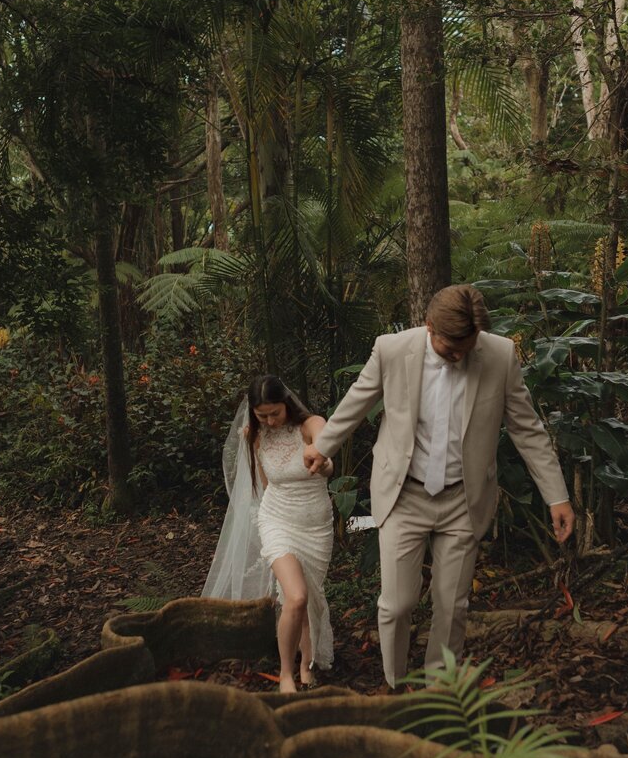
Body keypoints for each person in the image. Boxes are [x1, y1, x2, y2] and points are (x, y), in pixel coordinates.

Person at [303, 284, 574, 691]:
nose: (461, 355)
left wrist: (557, 495)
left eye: (469, 346)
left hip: (464, 501)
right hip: (403, 496)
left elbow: (527, 429)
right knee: (397, 605)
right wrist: (322, 447)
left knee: (452, 606)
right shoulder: (393, 350)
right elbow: (356, 401)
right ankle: (396, 686)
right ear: (429, 327)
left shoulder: (499, 355)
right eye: (452, 348)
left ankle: (439, 694)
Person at [203, 375, 335, 694]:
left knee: (308, 596)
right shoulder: (255, 436)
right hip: (277, 519)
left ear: (286, 404)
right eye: (262, 415)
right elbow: (265, 483)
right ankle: (286, 672)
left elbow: (324, 445)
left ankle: (307, 663)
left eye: (275, 413)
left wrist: (320, 455)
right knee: (296, 595)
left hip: (316, 525)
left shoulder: (310, 425)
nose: (270, 421)